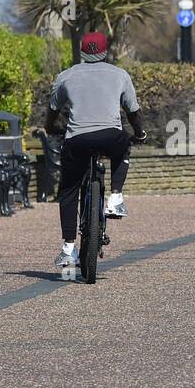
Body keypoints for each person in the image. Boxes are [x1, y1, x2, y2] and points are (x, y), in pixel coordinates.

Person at [47, 32, 146, 272]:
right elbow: (133, 111)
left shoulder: (66, 76)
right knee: (123, 148)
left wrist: (51, 128)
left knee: (69, 190)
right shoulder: (120, 75)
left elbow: (52, 110)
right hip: (110, 136)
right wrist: (140, 133)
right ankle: (115, 198)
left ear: (82, 51)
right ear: (106, 51)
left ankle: (69, 249)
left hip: (77, 139)